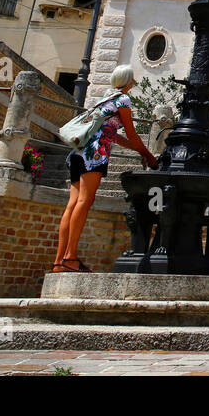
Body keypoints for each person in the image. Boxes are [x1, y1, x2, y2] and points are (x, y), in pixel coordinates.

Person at [52, 63, 157, 273]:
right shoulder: (122, 100)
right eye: (133, 79)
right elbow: (131, 133)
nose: (134, 82)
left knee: (72, 204)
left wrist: (139, 151)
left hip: (77, 152)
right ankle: (70, 257)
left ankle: (59, 261)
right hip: (94, 155)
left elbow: (114, 135)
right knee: (84, 201)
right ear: (129, 81)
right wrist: (148, 154)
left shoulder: (104, 100)